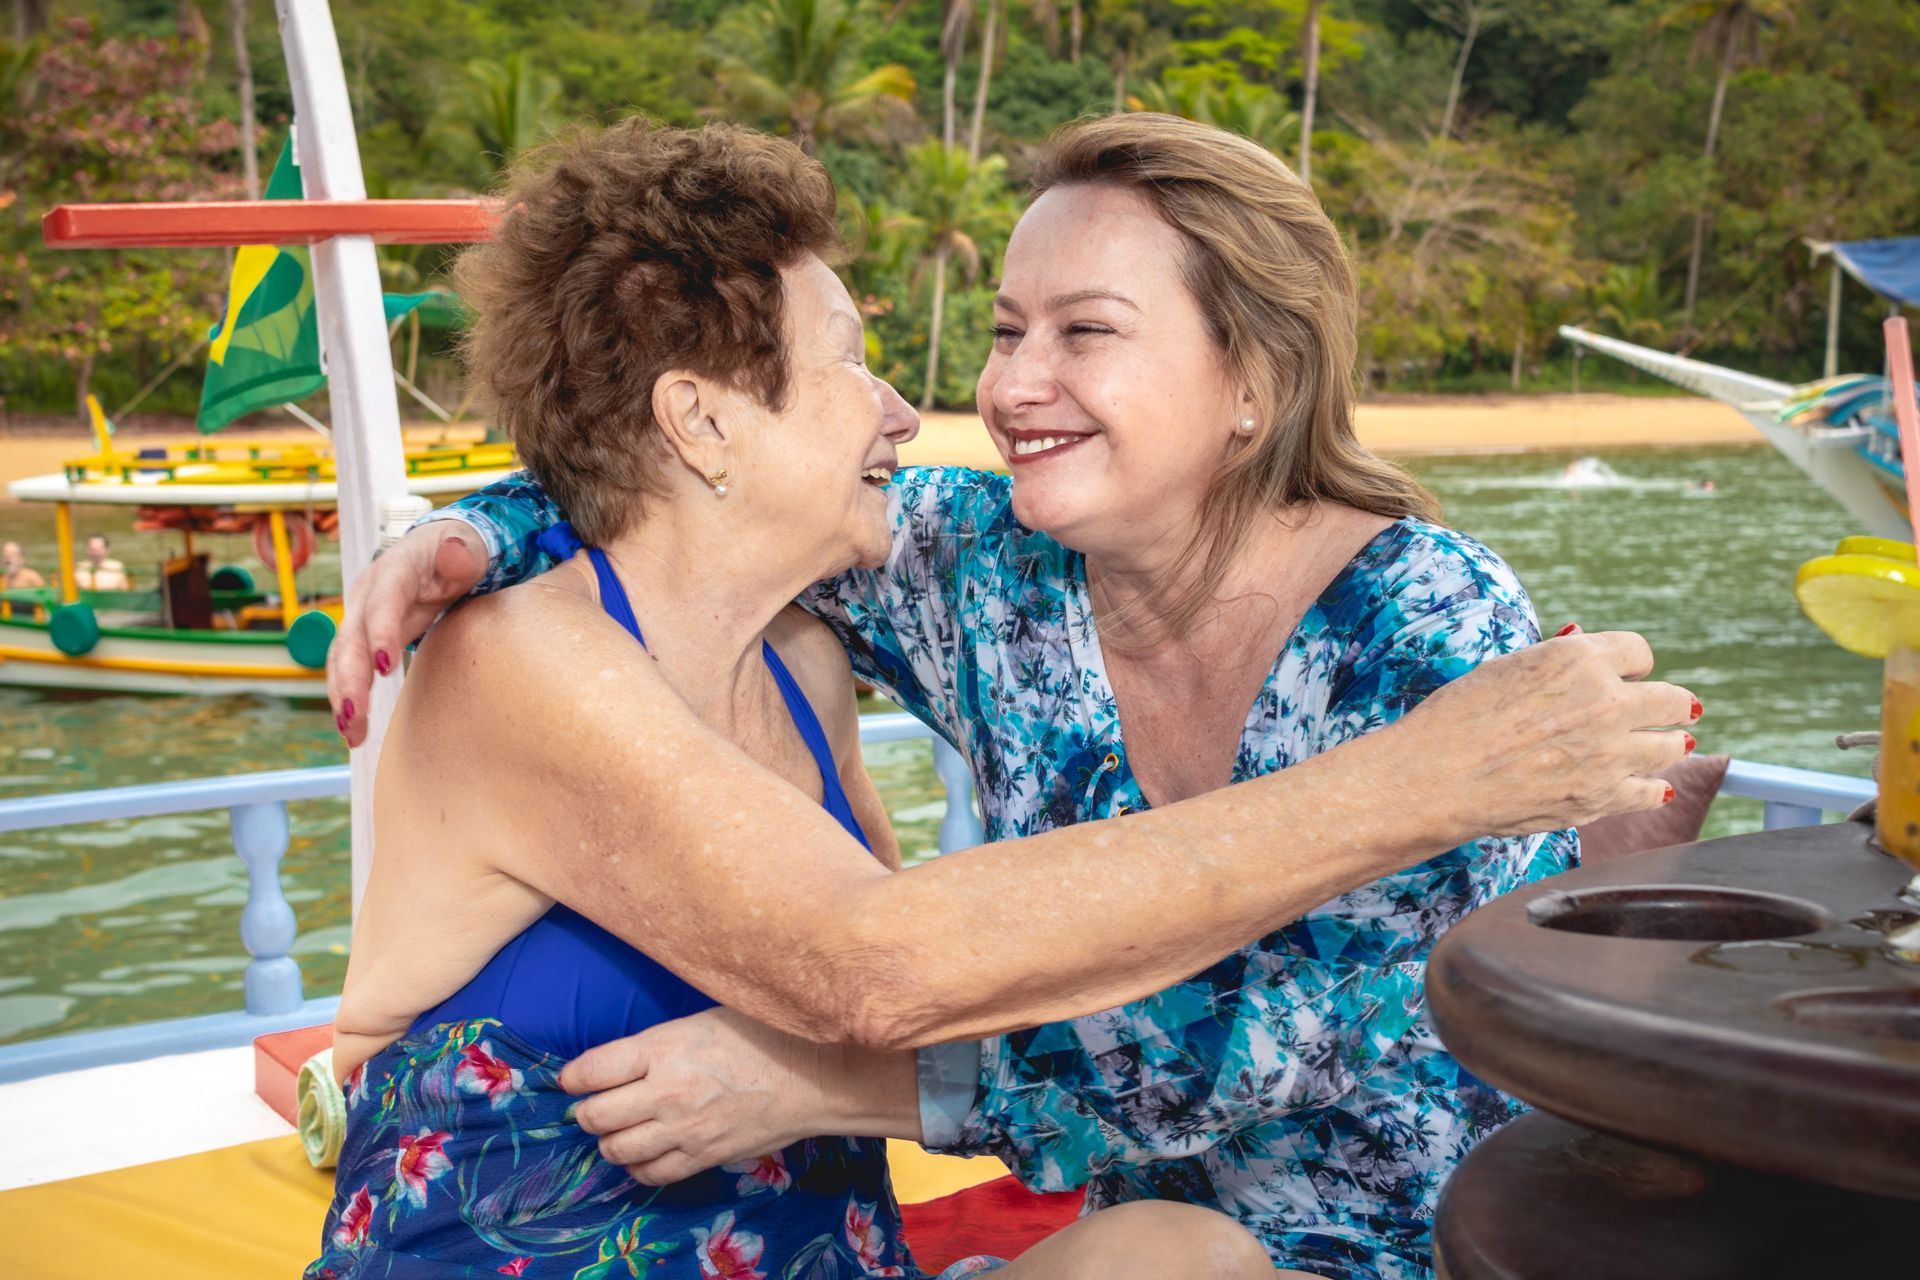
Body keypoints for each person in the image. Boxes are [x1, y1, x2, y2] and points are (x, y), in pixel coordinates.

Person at [325, 115, 1698, 1280]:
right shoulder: (983, 565)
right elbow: (663, 490)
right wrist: (477, 529)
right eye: (1004, 330)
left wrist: (828, 1086)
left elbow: (1249, 1044)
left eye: (1084, 331)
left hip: (1398, 1234)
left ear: (1254, 379)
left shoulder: (1427, 625)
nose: (996, 389)